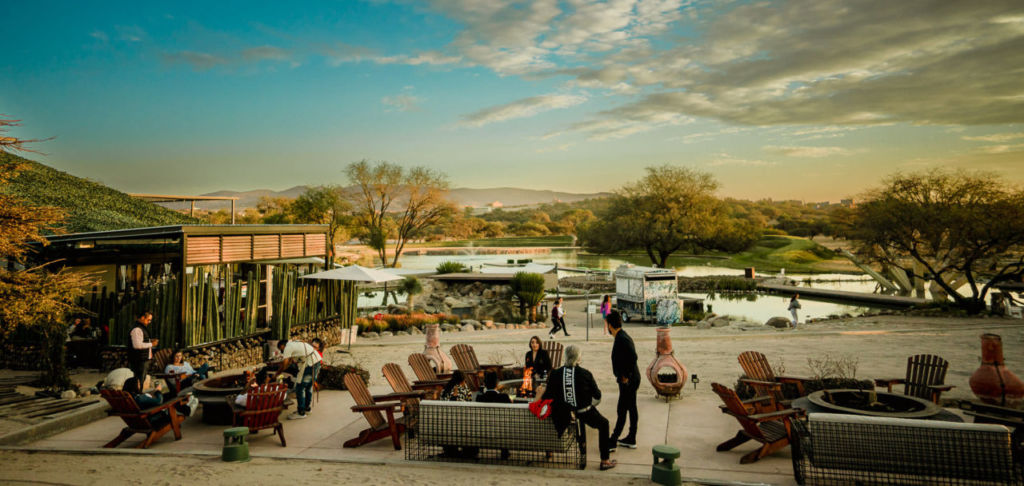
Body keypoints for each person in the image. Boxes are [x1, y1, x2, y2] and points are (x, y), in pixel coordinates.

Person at [542, 345, 616, 471]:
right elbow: (597, 395)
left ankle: (549, 452)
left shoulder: (555, 374)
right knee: (604, 424)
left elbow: (548, 395)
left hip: (563, 414)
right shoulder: (585, 374)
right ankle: (605, 461)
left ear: (565, 357)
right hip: (584, 412)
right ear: (578, 358)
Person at [606, 310, 639, 450]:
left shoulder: (622, 338)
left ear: (610, 325)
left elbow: (633, 356)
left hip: (629, 381)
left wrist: (626, 375)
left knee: (622, 409)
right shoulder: (620, 336)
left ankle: (612, 441)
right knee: (631, 408)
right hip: (630, 379)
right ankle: (631, 438)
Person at [276, 339, 322, 420]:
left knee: (300, 388)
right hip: (317, 362)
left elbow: (285, 362)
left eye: (281, 349)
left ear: (282, 345)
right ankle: (306, 408)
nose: (282, 351)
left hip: (309, 365)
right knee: (308, 387)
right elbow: (290, 361)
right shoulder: (294, 343)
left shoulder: (287, 347)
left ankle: (301, 412)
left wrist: (277, 373)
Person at [122, 376, 198, 422]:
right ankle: (187, 409)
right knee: (171, 399)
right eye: (138, 384)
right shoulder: (138, 398)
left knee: (171, 394)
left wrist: (150, 395)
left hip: (143, 418)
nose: (139, 385)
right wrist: (158, 391)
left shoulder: (128, 398)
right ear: (133, 386)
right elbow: (159, 401)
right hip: (155, 417)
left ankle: (186, 403)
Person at [128, 311, 158, 383]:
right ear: (142, 317)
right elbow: (137, 345)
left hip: (142, 359)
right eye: (148, 319)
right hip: (139, 360)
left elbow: (142, 340)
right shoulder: (137, 329)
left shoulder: (141, 328)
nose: (149, 322)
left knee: (141, 379)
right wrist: (151, 344)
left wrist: (149, 340)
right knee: (139, 380)